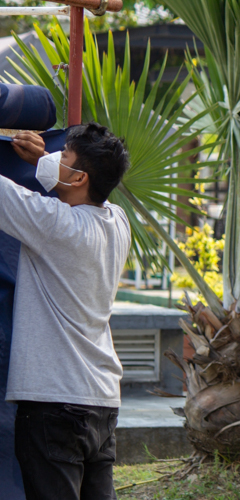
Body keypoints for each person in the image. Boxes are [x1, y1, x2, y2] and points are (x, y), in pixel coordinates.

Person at [2, 123, 131, 500]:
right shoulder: (117, 221)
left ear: (78, 177)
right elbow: (78, 186)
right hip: (101, 403)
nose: (55, 158)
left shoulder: (54, 225)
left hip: (53, 405)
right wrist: (45, 161)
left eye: (64, 158)